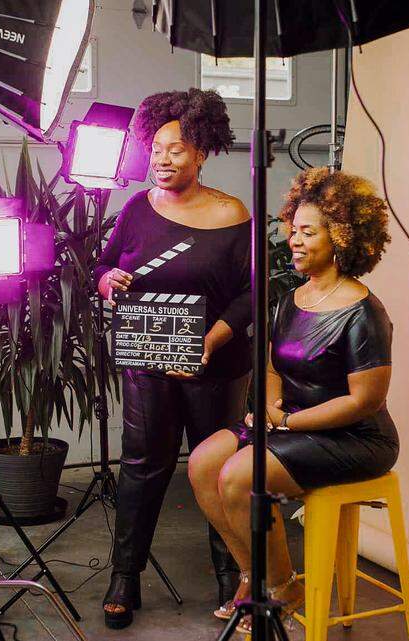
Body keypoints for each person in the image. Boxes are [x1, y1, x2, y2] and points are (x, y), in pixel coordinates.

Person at [187, 168, 397, 631]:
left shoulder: (365, 312)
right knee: (203, 463)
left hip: (353, 437)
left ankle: (283, 587)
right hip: (288, 422)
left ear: (341, 236)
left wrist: (286, 423)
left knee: (242, 476)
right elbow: (271, 367)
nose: (294, 240)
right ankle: (254, 574)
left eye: (309, 231)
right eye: (293, 229)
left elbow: (364, 401)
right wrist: (270, 409)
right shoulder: (292, 299)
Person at [94, 87, 252, 629]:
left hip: (217, 365)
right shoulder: (138, 207)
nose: (162, 159)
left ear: (202, 152)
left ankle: (234, 578)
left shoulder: (233, 213)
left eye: (177, 150)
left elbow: (252, 295)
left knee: (218, 470)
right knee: (141, 465)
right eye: (157, 148)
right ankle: (124, 576)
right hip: (147, 363)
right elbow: (106, 267)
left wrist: (211, 341)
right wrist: (107, 281)